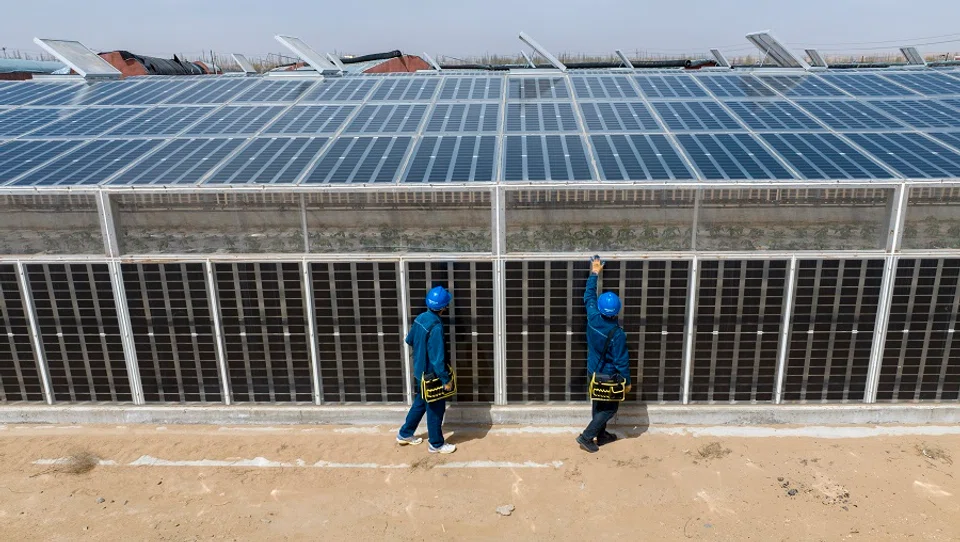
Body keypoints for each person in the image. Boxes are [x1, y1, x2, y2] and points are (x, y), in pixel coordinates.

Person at [576, 256, 631, 453]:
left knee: (598, 402)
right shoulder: (617, 334)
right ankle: (586, 436)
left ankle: (602, 435)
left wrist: (594, 272)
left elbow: (589, 295)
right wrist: (627, 382)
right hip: (608, 375)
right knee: (609, 408)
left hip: (593, 370)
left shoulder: (592, 316)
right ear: (617, 311)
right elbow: (621, 361)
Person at [396, 285, 457, 454]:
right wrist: (446, 380)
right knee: (436, 408)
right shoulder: (436, 327)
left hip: (419, 373)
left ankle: (405, 434)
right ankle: (436, 444)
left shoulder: (421, 318)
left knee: (420, 403)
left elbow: (409, 340)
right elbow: (438, 360)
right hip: (432, 376)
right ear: (444, 307)